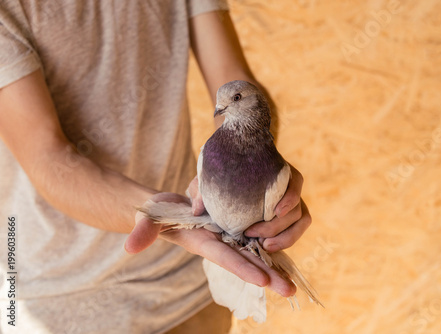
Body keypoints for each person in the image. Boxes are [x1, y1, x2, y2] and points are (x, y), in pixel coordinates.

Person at [0, 1, 312, 333]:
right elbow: (49, 160)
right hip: (59, 296)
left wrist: (260, 167)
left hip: (196, 274)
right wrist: (162, 213)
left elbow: (236, 86)